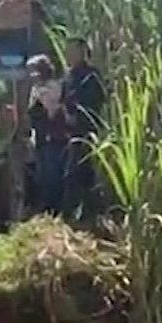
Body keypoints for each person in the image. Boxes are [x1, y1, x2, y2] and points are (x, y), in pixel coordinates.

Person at [60, 37, 107, 219]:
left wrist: (78, 115)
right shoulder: (68, 75)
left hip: (86, 130)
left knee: (74, 172)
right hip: (70, 131)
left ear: (81, 52)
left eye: (71, 51)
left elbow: (97, 100)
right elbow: (64, 98)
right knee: (83, 173)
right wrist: (66, 113)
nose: (67, 55)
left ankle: (70, 214)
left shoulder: (91, 74)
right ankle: (89, 213)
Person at [24, 54, 69, 216]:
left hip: (53, 135)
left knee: (53, 171)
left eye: (34, 71)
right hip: (41, 136)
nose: (31, 75)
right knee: (42, 172)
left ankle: (56, 206)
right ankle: (45, 205)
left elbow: (52, 110)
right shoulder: (36, 89)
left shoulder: (52, 87)